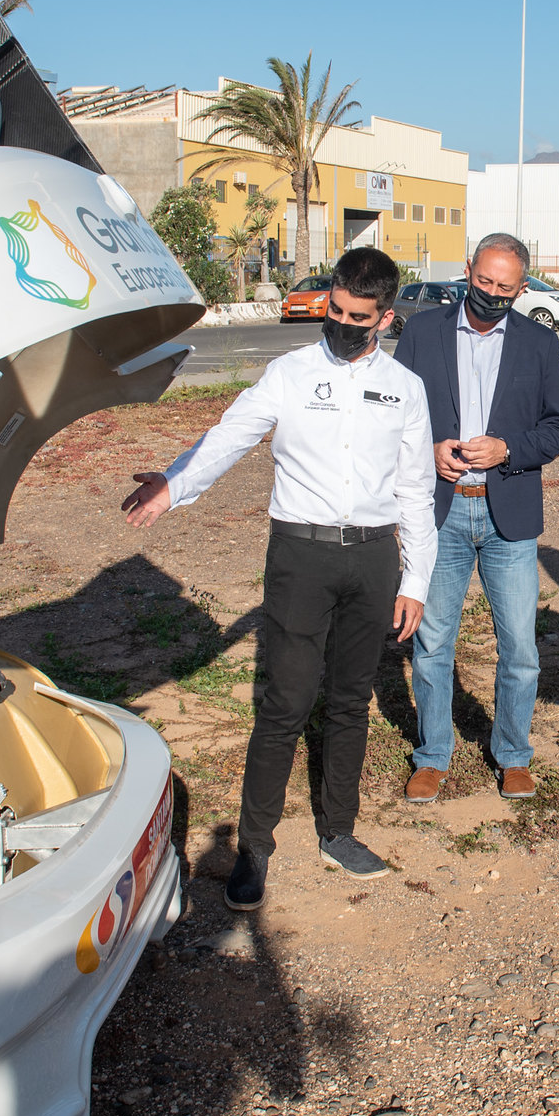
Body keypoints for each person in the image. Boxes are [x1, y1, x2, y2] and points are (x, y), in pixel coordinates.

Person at [122, 247, 436, 911]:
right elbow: (229, 435)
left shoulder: (406, 388)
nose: (343, 324)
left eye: (358, 317)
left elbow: (416, 489)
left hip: (375, 557)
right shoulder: (289, 374)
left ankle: (339, 833)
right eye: (335, 310)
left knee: (351, 703)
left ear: (384, 317)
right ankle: (255, 847)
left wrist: (416, 581)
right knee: (284, 704)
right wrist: (173, 484)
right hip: (302, 556)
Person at [395, 233, 559, 802]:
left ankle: (514, 755)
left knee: (520, 646)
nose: (492, 294)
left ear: (522, 288)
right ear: (467, 270)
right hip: (440, 516)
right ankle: (432, 756)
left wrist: (508, 450)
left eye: (505, 287)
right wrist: (427, 452)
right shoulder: (422, 333)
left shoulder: (540, 343)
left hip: (510, 518)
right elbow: (394, 418)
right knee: (432, 643)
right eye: (484, 282)